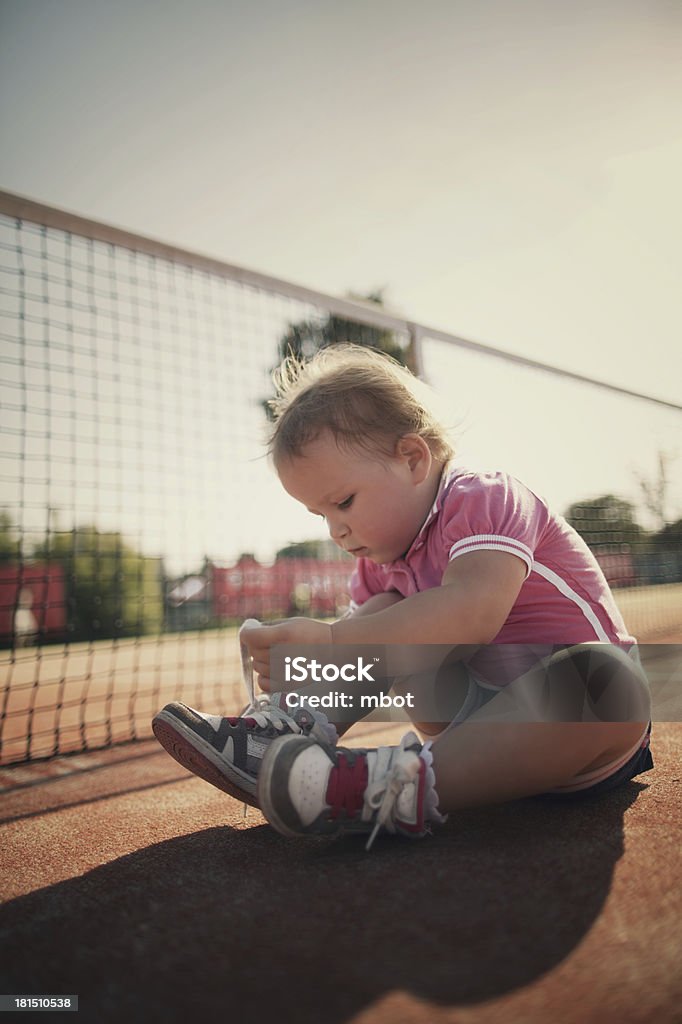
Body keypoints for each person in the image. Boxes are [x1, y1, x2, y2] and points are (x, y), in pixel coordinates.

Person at [153, 344, 653, 849]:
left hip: (587, 738)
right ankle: (287, 731)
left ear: (413, 458)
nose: (336, 531)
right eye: (320, 515)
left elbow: (472, 612)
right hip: (470, 731)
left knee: (605, 681)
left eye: (343, 502)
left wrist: (330, 642)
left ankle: (372, 787)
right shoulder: (380, 567)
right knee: (383, 613)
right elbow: (364, 650)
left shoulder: (485, 498)